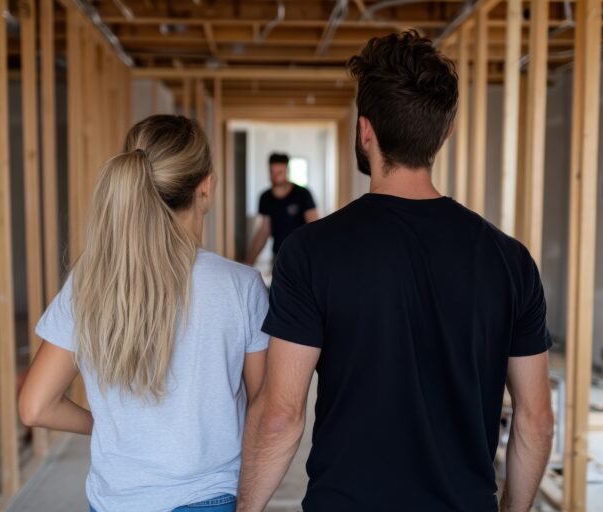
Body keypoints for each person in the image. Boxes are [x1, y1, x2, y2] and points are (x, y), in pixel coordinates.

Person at [237, 31, 554, 512]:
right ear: (445, 132)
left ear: (366, 131)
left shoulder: (311, 253)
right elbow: (535, 421)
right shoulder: (510, 260)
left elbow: (281, 416)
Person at [18, 115, 269, 512]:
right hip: (210, 498)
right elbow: (265, 408)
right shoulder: (240, 286)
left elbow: (35, 406)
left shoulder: (88, 281)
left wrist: (110, 427)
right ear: (207, 186)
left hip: (115, 499)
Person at [245, 153, 319, 265]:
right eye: (272, 172)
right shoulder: (265, 197)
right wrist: (249, 262)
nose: (276, 176)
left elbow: (314, 226)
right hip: (279, 256)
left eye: (280, 172)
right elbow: (264, 231)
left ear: (287, 171)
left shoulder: (302, 194)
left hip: (302, 256)